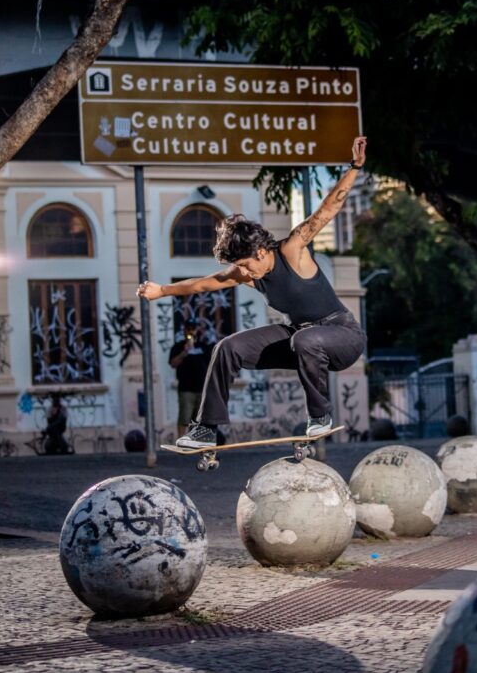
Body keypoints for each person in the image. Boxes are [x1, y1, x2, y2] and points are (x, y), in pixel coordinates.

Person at [137, 135, 368, 449]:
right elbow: (205, 283)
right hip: (301, 338)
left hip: (342, 335)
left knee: (304, 338)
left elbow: (327, 211)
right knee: (227, 348)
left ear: (261, 252)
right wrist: (161, 290)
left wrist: (354, 167)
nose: (242, 275)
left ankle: (319, 416)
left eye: (244, 265)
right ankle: (205, 429)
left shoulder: (292, 249)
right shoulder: (245, 272)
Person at [169, 319, 212, 438]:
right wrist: (184, 352)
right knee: (184, 417)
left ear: (197, 330)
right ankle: (181, 441)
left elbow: (211, 365)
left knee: (198, 419)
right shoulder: (178, 346)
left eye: (193, 328)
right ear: (184, 330)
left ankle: (194, 441)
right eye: (188, 328)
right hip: (186, 388)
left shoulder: (203, 346)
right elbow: (173, 363)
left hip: (201, 388)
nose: (191, 331)